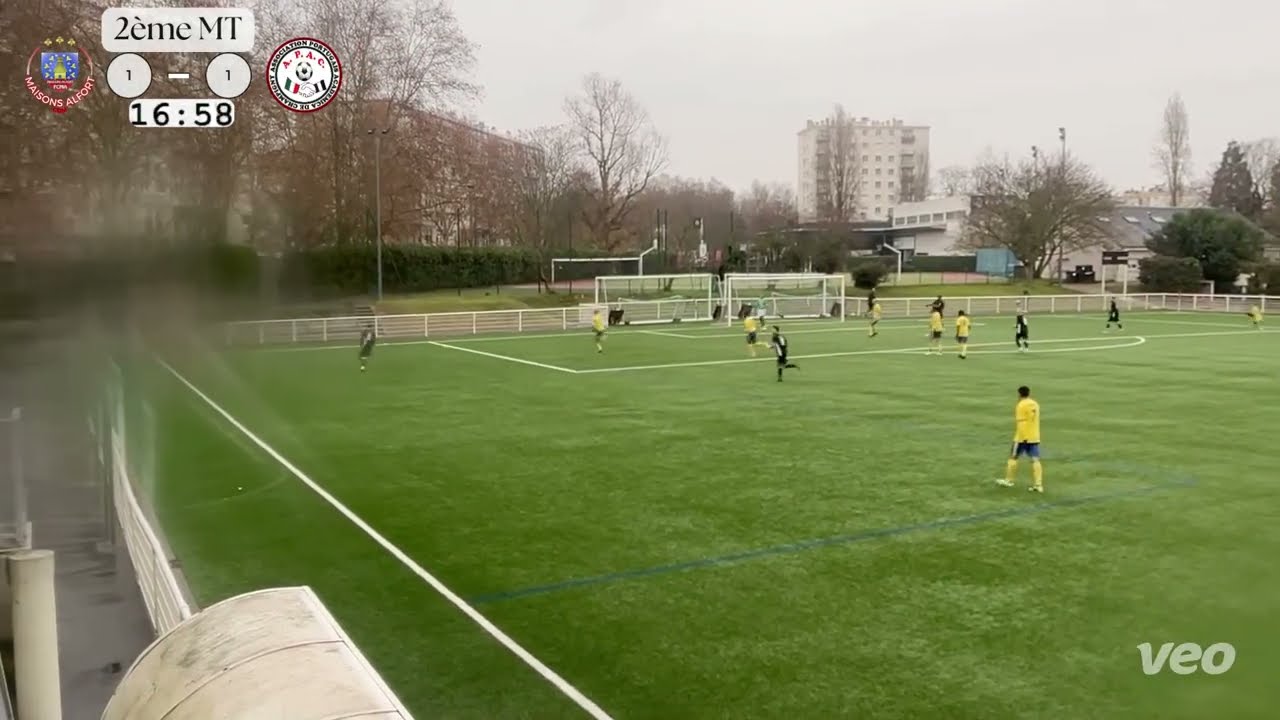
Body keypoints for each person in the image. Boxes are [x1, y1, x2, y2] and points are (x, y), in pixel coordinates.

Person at [998, 385, 1044, 493]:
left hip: (1022, 437)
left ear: (1019, 394)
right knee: (1035, 459)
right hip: (1034, 436)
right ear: (1029, 393)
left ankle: (1009, 480)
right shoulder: (1035, 404)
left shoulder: (1021, 405)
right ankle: (1038, 485)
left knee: (1013, 457)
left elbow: (1021, 422)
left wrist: (1022, 438)